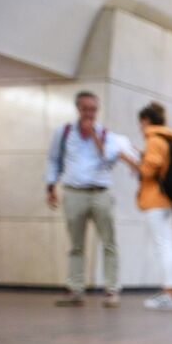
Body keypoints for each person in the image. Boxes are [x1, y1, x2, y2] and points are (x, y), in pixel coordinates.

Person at [45, 90, 123, 307]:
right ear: (78, 109)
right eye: (86, 109)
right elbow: (53, 160)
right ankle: (75, 289)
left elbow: (109, 161)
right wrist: (50, 187)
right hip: (73, 192)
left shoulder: (106, 134)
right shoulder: (64, 132)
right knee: (76, 244)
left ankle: (111, 290)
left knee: (109, 243)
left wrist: (96, 137)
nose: (90, 113)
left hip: (101, 193)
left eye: (94, 109)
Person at [121, 102, 172, 310]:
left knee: (163, 245)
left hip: (156, 199)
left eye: (141, 123)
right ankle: (169, 291)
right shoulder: (164, 139)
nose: (140, 127)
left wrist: (127, 159)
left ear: (146, 120)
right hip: (163, 200)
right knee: (164, 244)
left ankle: (170, 293)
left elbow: (148, 171)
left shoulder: (155, 140)